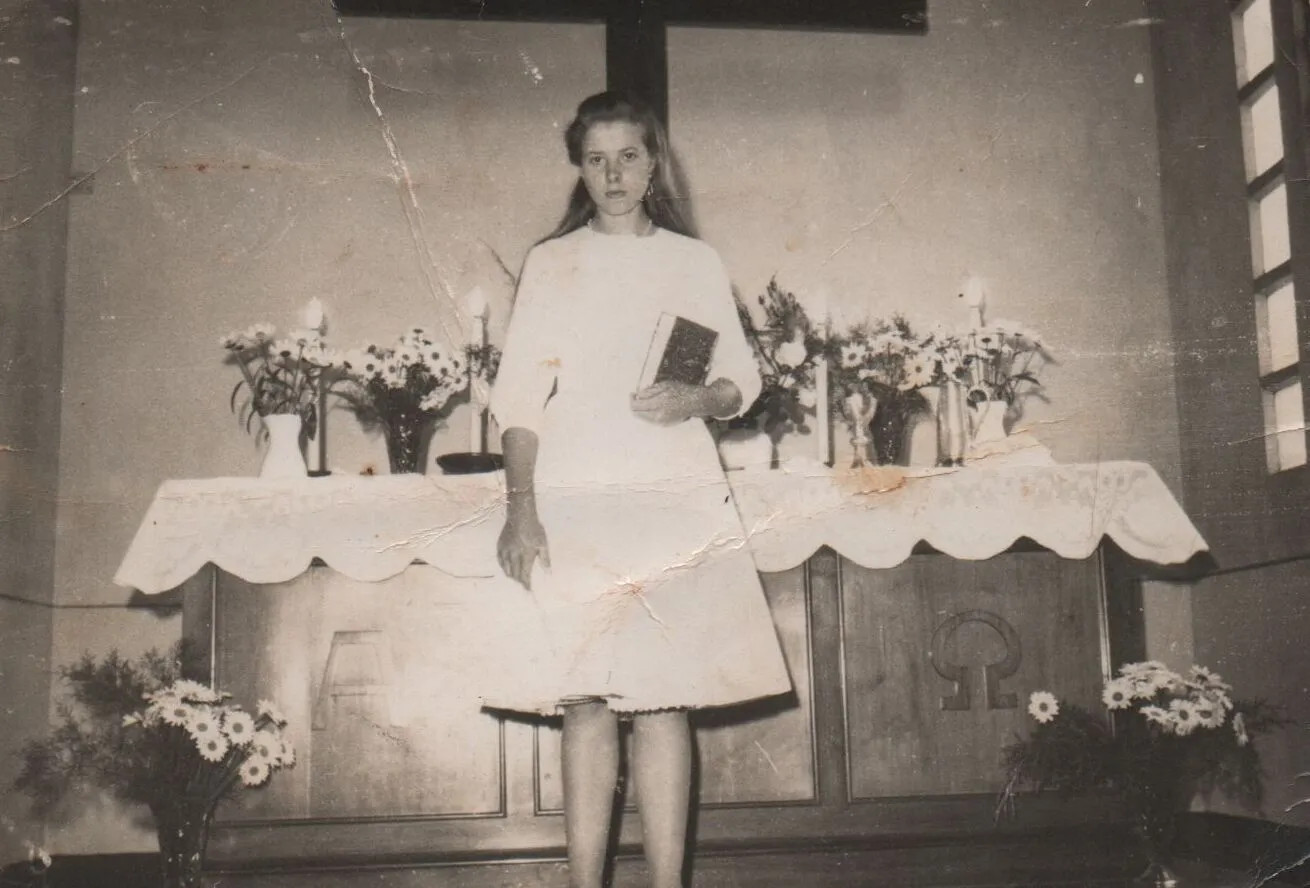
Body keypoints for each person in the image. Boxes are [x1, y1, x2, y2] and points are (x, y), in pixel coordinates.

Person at [486, 91, 792, 888]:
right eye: (596, 158)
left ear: (654, 161)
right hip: (578, 488)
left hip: (670, 488)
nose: (614, 174)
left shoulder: (692, 261)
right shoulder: (553, 261)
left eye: (628, 156)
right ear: (578, 167)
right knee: (585, 699)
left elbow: (742, 380)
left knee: (664, 700)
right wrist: (522, 510)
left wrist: (699, 400)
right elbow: (519, 397)